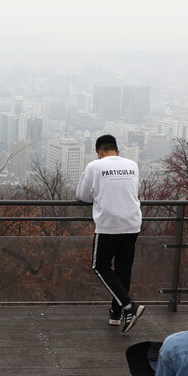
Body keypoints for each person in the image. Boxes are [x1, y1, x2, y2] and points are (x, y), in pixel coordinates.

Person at [76, 134, 144, 333]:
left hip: (108, 224)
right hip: (132, 223)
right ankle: (116, 314)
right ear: (117, 151)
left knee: (100, 266)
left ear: (99, 152)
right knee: (124, 269)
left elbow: (82, 195)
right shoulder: (132, 164)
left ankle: (129, 306)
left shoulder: (95, 167)